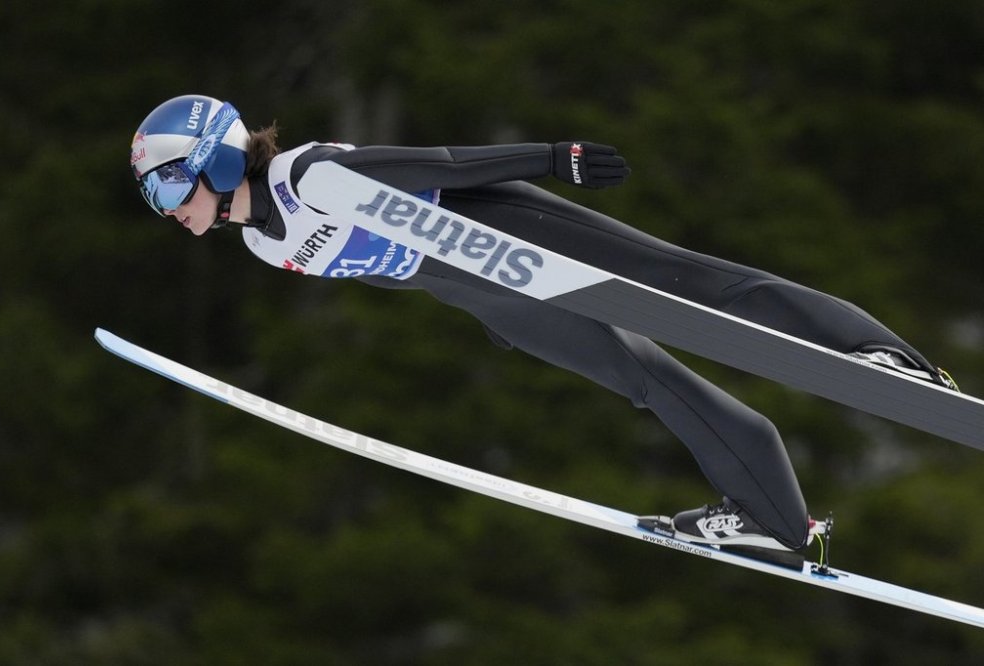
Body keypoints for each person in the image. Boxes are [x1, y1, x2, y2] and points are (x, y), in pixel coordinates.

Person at [130, 94, 955, 554]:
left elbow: (445, 169)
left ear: (220, 156)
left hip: (510, 232)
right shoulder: (265, 246)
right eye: (155, 199)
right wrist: (495, 313)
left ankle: (880, 357)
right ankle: (775, 520)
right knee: (645, 379)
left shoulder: (313, 178)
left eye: (172, 188)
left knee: (696, 284)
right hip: (486, 291)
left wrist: (550, 157)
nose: (169, 211)